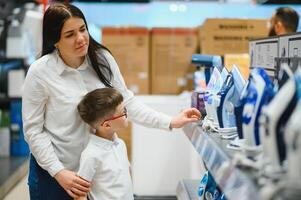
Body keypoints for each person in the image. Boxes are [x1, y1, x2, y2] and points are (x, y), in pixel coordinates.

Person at [22, 2, 201, 200]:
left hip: (95, 175)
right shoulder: (40, 73)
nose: (81, 38)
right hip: (53, 174)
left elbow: (127, 103)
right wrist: (58, 172)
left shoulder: (102, 60)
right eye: (70, 34)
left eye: (83, 29)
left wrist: (170, 121)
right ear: (55, 40)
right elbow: (33, 131)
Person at [76, 87, 132, 200]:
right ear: (106, 125)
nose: (127, 113)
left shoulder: (120, 144)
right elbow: (80, 195)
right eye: (123, 112)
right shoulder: (91, 154)